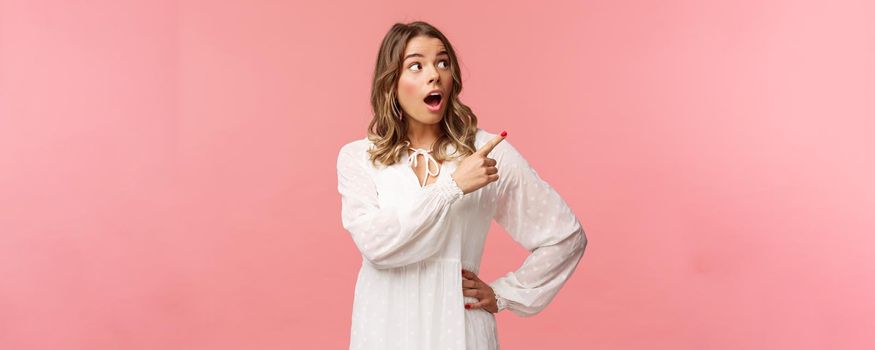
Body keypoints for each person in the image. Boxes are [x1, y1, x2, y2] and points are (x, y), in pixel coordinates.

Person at [336, 21, 588, 350]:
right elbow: (376, 246)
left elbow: (565, 236)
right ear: (391, 82)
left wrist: (504, 294)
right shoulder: (360, 158)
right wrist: (452, 187)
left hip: (460, 330)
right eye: (417, 65)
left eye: (443, 63)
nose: (434, 74)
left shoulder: (484, 152)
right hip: (385, 329)